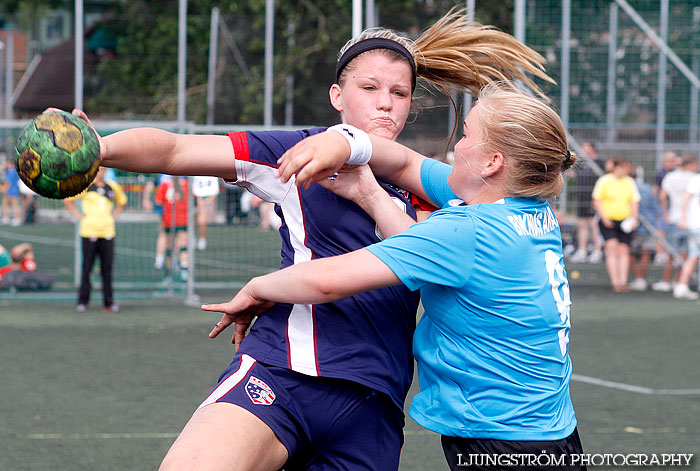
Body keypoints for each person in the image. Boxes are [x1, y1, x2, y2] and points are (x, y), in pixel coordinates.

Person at [56, 10, 553, 470]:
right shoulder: (293, 153)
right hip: (281, 374)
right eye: (370, 87)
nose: (385, 102)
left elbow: (408, 261)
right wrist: (101, 148)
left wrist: (367, 194)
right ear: (338, 96)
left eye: (399, 93)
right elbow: (174, 149)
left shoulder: (442, 188)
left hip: (373, 401)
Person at [206, 83, 585, 471]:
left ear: (493, 162)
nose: (455, 147)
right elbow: (404, 165)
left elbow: (328, 281)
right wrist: (349, 154)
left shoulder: (469, 230)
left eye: (467, 134)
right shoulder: (533, 212)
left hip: (504, 444)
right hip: (551, 434)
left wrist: (256, 287)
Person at [64, 166, 127, 312]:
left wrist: (113, 216)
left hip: (107, 232)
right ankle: (82, 301)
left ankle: (109, 302)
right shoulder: (85, 186)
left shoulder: (112, 187)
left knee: (107, 269)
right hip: (89, 231)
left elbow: (122, 202)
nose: (101, 172)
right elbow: (68, 200)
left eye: (103, 169)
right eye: (98, 170)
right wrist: (78, 216)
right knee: (87, 268)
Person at [591, 158, 640, 292]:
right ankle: (615, 282)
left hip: (625, 221)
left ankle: (623, 281)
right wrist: (604, 217)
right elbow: (597, 200)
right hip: (608, 220)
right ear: (616, 167)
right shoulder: (605, 180)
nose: (626, 170)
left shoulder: (629, 182)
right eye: (624, 167)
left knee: (624, 249)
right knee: (611, 247)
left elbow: (634, 202)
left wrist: (634, 219)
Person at [653, 155, 699, 292]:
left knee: (673, 253)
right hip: (691, 221)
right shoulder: (695, 178)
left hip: (673, 218)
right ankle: (679, 282)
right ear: (690, 164)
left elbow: (662, 196)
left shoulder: (670, 176)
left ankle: (667, 281)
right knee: (687, 254)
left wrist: (665, 213)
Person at [628, 167, 664, 291]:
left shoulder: (627, 187)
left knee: (631, 252)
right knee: (645, 252)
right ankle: (641, 277)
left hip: (631, 225)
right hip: (648, 225)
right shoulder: (647, 188)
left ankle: (638, 277)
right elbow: (656, 208)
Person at [568, 142, 603, 263]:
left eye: (585, 148)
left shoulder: (599, 162)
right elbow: (572, 174)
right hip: (581, 198)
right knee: (581, 224)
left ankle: (597, 250)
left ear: (592, 149)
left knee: (594, 225)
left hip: (594, 198)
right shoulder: (581, 162)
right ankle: (582, 250)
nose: (583, 150)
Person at [154, 175, 189, 281]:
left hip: (169, 219)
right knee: (183, 246)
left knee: (169, 248)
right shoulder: (186, 184)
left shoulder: (165, 184)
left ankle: (168, 275)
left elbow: (158, 201)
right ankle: (184, 270)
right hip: (183, 218)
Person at [673, 167, 700, 300]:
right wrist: (683, 218)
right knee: (693, 256)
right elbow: (685, 200)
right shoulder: (697, 180)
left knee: (693, 256)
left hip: (694, 225)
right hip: (697, 225)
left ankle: (681, 286)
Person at [192, 176, 220, 250]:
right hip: (196, 199)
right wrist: (198, 199)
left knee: (202, 221)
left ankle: (202, 239)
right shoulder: (196, 176)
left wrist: (206, 201)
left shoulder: (212, 177)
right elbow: (194, 189)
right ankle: (193, 237)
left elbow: (215, 191)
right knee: (193, 220)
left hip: (207, 199)